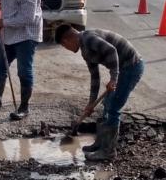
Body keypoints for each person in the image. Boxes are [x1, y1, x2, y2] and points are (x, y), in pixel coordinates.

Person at [54, 25, 144, 161]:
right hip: (123, 68)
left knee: (113, 108)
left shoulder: (88, 38)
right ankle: (100, 144)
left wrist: (114, 79)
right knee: (107, 103)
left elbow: (112, 50)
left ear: (66, 40)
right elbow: (95, 77)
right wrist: (91, 103)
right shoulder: (85, 51)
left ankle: (108, 152)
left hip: (132, 66)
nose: (67, 48)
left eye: (64, 46)